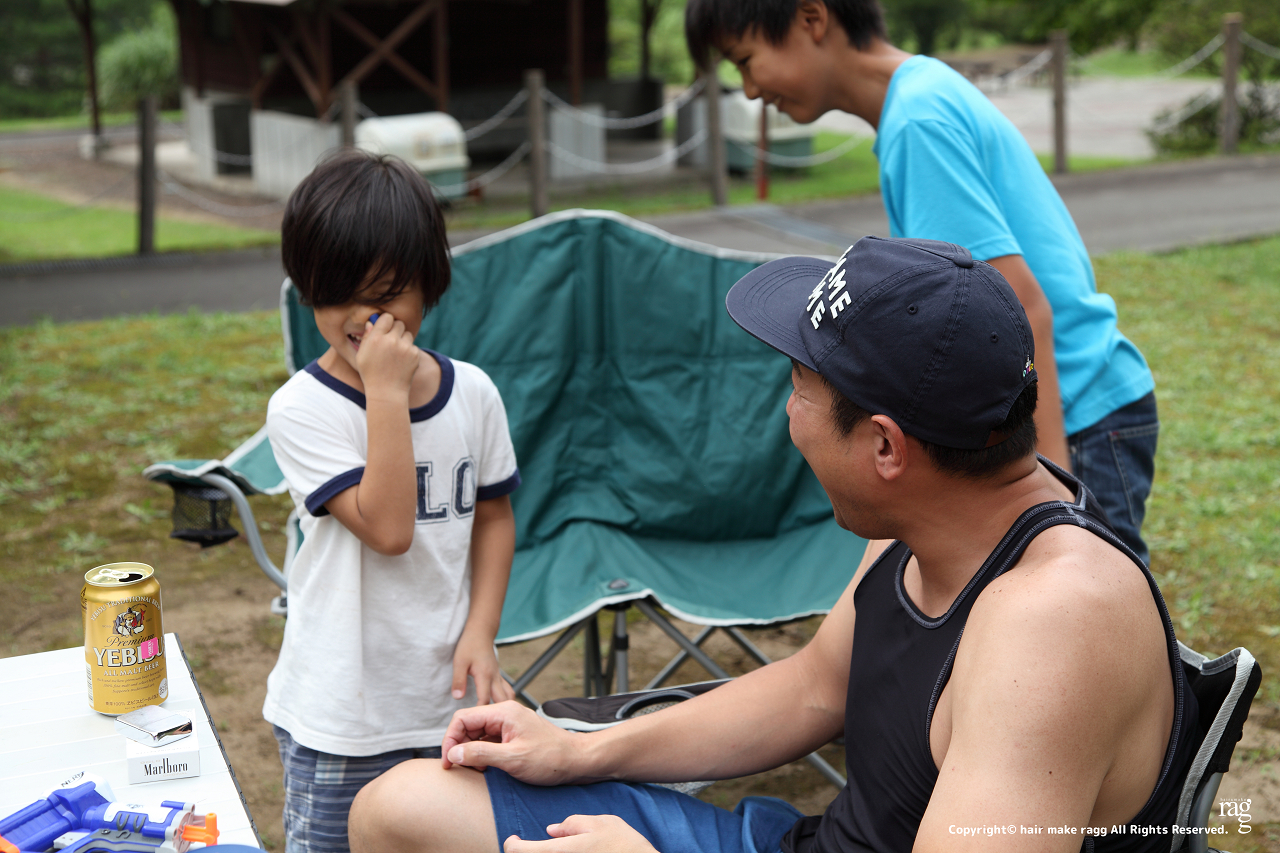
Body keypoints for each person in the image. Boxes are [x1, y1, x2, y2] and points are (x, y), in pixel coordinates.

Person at [346, 237, 1198, 853]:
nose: (788, 415)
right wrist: (578, 750)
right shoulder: (939, 517)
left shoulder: (1054, 625)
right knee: (399, 810)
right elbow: (814, 688)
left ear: (887, 446)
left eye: (799, 386)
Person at [684, 0, 1159, 563]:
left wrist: (1051, 507)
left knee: (1082, 598)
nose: (750, 89)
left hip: (1071, 413)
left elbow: (1021, 308)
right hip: (1081, 399)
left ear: (811, 19)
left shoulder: (917, 123)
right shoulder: (923, 91)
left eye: (745, 60)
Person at [264, 148, 522, 853]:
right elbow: (388, 528)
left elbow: (494, 516)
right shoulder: (302, 409)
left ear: (428, 283)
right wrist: (385, 389)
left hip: (445, 703)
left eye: (384, 294)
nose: (362, 318)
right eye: (336, 296)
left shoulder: (473, 393)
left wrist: (482, 630)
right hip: (342, 713)